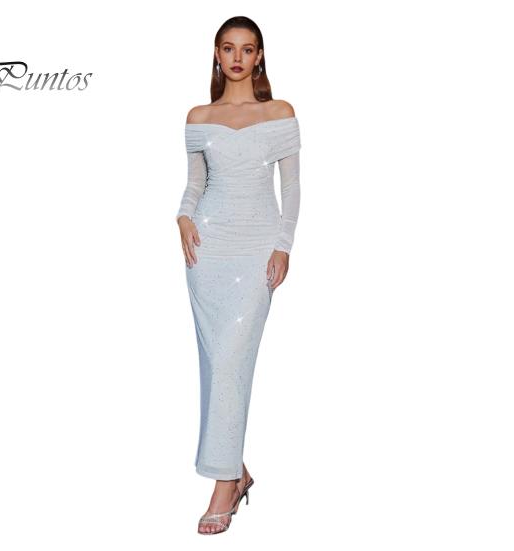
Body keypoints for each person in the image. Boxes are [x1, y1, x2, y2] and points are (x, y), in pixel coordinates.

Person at [176, 16, 302, 535]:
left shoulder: (280, 113)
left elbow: (291, 189)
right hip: (207, 249)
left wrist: (283, 246)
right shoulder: (199, 116)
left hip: (255, 251)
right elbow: (194, 184)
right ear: (217, 54)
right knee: (216, 365)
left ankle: (224, 482)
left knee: (233, 360)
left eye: (247, 50)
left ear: (259, 57)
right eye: (228, 48)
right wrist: (183, 216)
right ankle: (234, 471)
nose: (237, 58)